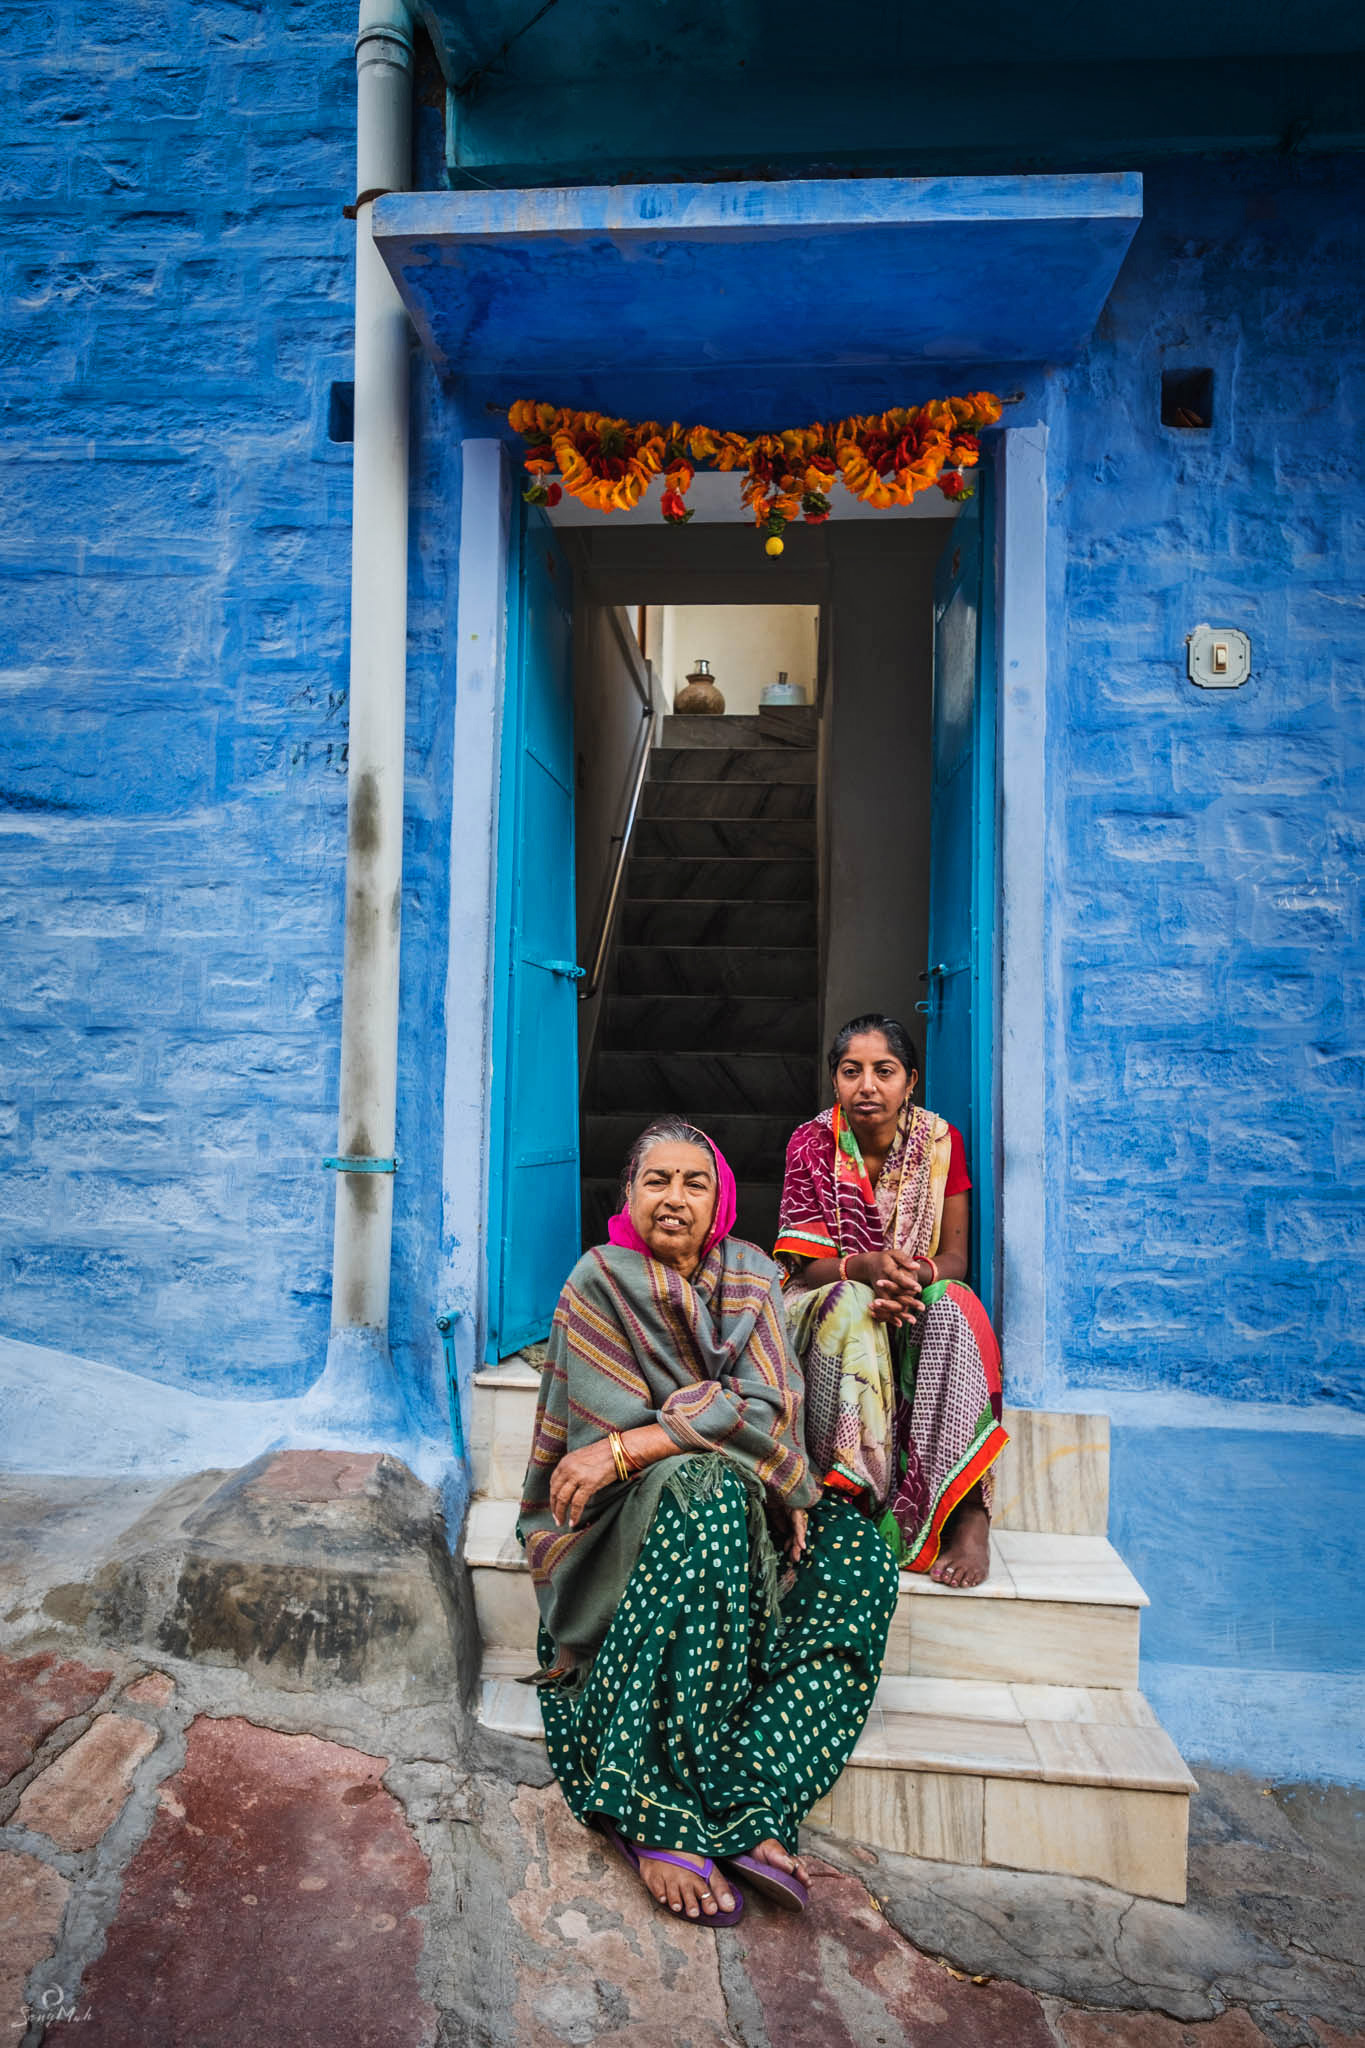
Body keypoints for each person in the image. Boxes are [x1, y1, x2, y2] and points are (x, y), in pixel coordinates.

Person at [518, 1115, 898, 1928]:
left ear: (720, 1199)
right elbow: (594, 1449)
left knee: (858, 1551)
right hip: (622, 1530)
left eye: (695, 1182)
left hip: (713, 1499)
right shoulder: (598, 1283)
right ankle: (650, 1802)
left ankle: (749, 1791)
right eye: (656, 1181)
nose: (675, 1198)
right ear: (627, 1197)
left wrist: (651, 1443)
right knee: (704, 1486)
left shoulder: (755, 1279)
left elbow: (771, 1411)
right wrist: (701, 1444)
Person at [774, 1014, 1008, 1589]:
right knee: (850, 1303)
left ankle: (969, 1514)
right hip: (830, 1296)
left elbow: (954, 1257)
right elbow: (804, 1264)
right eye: (851, 1072)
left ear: (912, 1081)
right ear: (835, 1081)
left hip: (912, 1291)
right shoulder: (810, 1143)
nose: (867, 1086)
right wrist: (868, 1270)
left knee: (956, 1303)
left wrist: (909, 1276)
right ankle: (856, 1497)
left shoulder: (939, 1142)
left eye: (885, 1071)